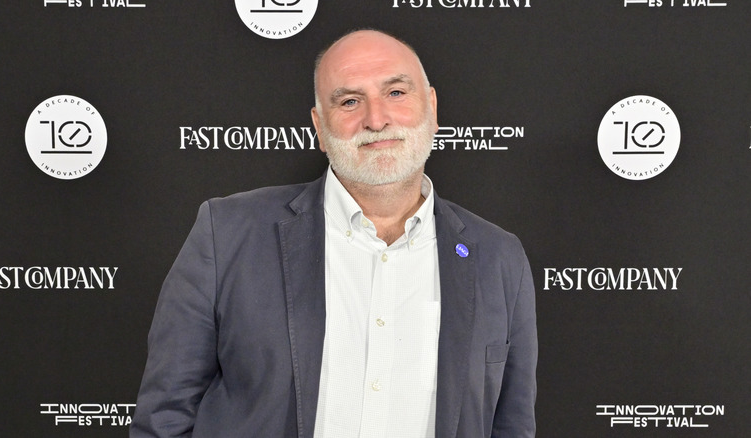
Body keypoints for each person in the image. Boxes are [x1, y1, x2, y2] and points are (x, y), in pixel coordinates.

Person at [131, 29, 537, 437]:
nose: (376, 119)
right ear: (320, 127)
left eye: (396, 93)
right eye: (349, 101)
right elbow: (165, 416)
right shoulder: (228, 234)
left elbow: (511, 425)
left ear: (431, 106)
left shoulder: (499, 258)